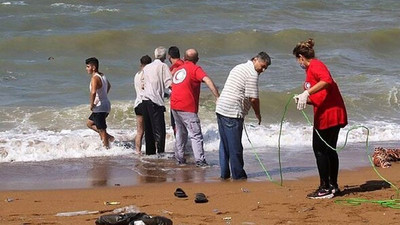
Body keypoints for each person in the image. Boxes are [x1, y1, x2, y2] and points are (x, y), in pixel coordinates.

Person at [292, 38, 347, 199]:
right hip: (328, 113)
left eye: (298, 60)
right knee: (329, 149)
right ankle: (333, 186)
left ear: (301, 57)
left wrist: (306, 93)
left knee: (320, 149)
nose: (298, 63)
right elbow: (322, 94)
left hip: (330, 115)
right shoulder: (310, 71)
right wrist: (303, 99)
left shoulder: (316, 65)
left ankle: (325, 187)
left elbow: (327, 81)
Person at [215, 52, 271, 180]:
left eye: (265, 68)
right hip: (232, 112)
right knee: (235, 147)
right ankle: (238, 175)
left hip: (221, 108)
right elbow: (253, 99)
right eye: (262, 66)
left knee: (224, 144)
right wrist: (258, 113)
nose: (262, 70)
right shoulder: (252, 74)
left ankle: (224, 174)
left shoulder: (239, 67)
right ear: (255, 59)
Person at [170, 48, 220, 166]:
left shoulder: (178, 69)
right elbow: (207, 80)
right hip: (187, 107)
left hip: (174, 105)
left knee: (181, 133)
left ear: (184, 57)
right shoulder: (195, 69)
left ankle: (180, 159)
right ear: (197, 59)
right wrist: (217, 96)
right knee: (196, 134)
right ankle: (200, 161)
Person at [141, 46, 172, 155]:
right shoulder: (163, 66)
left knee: (148, 129)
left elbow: (143, 84)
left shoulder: (146, 67)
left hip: (145, 100)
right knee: (159, 130)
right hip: (155, 101)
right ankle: (160, 153)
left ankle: (149, 154)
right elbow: (169, 83)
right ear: (164, 57)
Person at [85, 57, 114, 149]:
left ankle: (106, 149)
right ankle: (108, 137)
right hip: (105, 105)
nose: (86, 68)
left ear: (93, 67)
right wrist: (103, 96)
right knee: (90, 123)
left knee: (102, 129)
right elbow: (109, 85)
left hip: (100, 107)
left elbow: (93, 92)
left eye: (88, 66)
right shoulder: (102, 76)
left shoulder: (95, 78)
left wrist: (92, 104)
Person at [133, 55, 152, 155]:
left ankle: (138, 151)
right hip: (145, 103)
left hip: (137, 103)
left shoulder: (137, 74)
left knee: (140, 131)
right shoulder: (147, 75)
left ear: (141, 64)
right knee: (150, 130)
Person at [168, 46, 184, 136]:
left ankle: (180, 146)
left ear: (169, 56)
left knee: (175, 124)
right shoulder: (184, 64)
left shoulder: (174, 67)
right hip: (185, 98)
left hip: (176, 98)